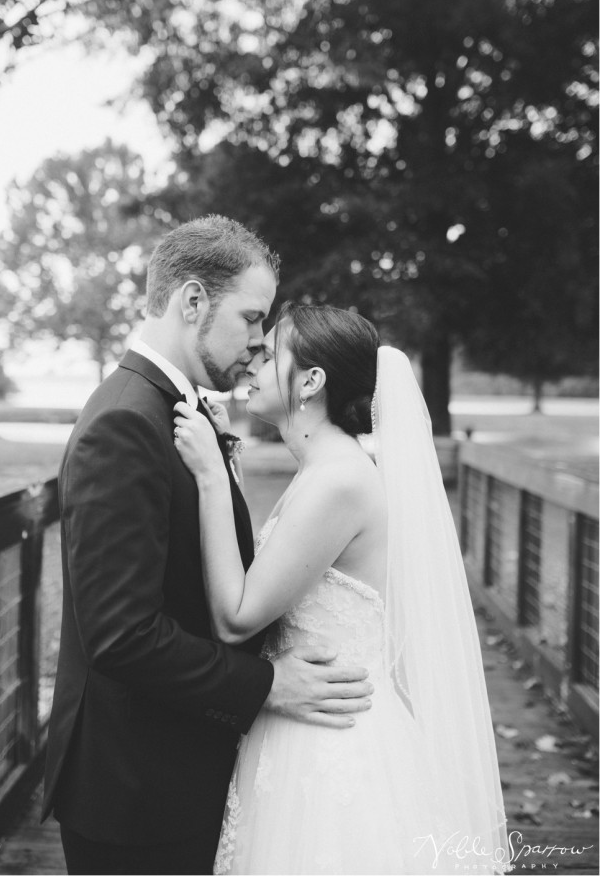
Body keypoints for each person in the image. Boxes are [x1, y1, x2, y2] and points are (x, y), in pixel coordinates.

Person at [42, 218, 373, 876]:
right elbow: (121, 635)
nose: (258, 341)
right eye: (252, 317)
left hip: (177, 770)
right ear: (192, 302)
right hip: (135, 792)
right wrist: (268, 684)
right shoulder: (125, 423)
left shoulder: (176, 411)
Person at [174, 301, 510, 875]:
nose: (251, 361)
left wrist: (208, 477)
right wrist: (228, 461)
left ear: (310, 381)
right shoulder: (325, 469)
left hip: (335, 750)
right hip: (303, 720)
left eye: (269, 352)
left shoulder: (338, 482)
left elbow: (237, 615)